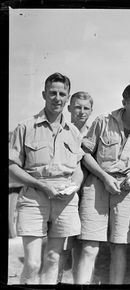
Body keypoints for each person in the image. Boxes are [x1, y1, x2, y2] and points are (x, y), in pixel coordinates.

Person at [9, 72, 84, 284]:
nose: (57, 98)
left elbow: (77, 168)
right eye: (53, 93)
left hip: (64, 200)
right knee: (32, 263)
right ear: (44, 94)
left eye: (62, 94)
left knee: (53, 258)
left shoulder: (73, 132)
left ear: (68, 97)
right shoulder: (25, 127)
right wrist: (40, 185)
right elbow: (12, 167)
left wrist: (75, 186)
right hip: (34, 198)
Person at [75, 83, 130, 284]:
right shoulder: (103, 121)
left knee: (119, 247)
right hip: (98, 184)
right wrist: (105, 177)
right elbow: (85, 154)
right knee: (90, 246)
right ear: (124, 103)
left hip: (126, 190)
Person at [58, 91, 94, 282]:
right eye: (78, 107)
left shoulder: (94, 131)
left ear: (91, 110)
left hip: (88, 194)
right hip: (66, 193)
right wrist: (80, 142)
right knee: (63, 245)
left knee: (82, 244)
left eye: (86, 108)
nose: (81, 112)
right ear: (69, 108)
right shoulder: (61, 129)